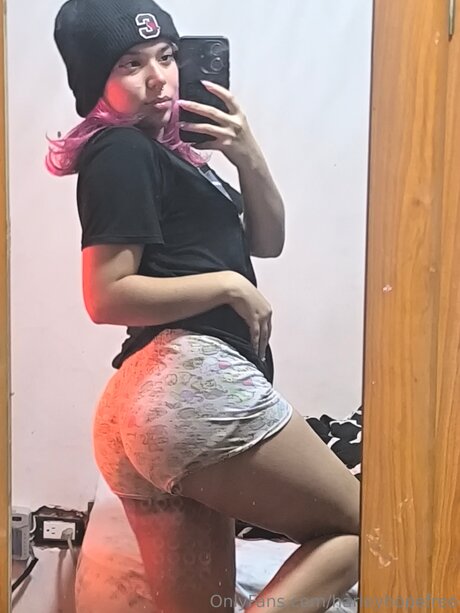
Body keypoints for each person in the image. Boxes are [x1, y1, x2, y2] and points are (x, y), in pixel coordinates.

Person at [48, 0, 360, 611]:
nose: (159, 78)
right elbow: (106, 295)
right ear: (95, 82)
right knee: (361, 527)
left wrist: (248, 154)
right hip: (189, 386)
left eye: (166, 56)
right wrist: (227, 286)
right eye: (130, 64)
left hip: (143, 406)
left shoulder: (171, 159)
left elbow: (268, 240)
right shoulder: (121, 150)